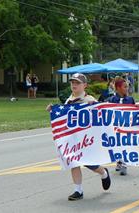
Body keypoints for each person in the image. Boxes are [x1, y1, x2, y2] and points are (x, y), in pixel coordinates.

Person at [46, 73, 111, 201]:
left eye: (78, 83)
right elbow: (64, 117)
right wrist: (52, 110)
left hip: (87, 139)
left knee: (89, 163)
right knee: (73, 161)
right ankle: (78, 190)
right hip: (73, 138)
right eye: (73, 82)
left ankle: (103, 172)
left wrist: (95, 107)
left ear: (85, 85)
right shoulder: (68, 101)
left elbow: (102, 118)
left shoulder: (89, 100)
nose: (74, 85)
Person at [107, 77, 135, 175]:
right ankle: (119, 161)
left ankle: (124, 164)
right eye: (125, 87)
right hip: (115, 127)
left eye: (127, 87)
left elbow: (135, 112)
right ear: (118, 88)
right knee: (116, 145)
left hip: (126, 127)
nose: (127, 89)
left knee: (125, 145)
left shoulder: (130, 99)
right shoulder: (111, 100)